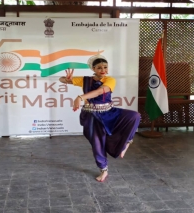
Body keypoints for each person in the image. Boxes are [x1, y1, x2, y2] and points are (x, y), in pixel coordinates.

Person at [58, 54, 141, 182]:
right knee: (97, 144)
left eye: (105, 67)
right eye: (99, 68)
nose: (103, 70)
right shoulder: (86, 80)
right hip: (92, 116)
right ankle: (104, 170)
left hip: (109, 113)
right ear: (93, 69)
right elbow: (61, 80)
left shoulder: (110, 80)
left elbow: (99, 92)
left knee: (134, 116)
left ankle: (126, 142)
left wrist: (80, 97)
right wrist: (66, 79)